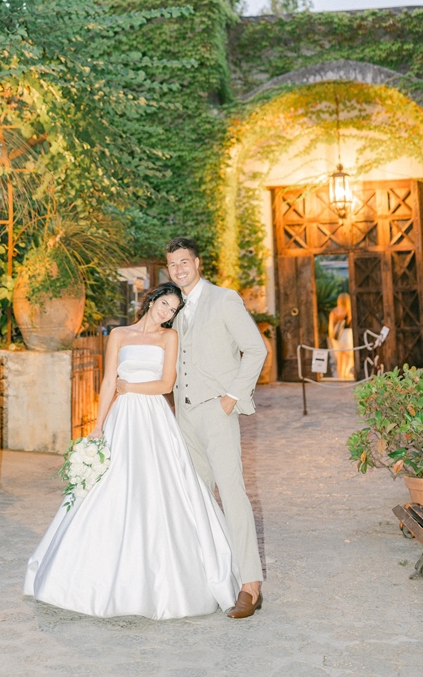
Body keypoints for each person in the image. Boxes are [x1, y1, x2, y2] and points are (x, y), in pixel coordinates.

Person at [23, 282, 240, 619]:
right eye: (164, 304)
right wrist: (97, 426)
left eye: (173, 310)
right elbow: (109, 381)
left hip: (153, 418)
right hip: (121, 419)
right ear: (151, 300)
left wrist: (131, 387)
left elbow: (166, 384)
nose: (167, 312)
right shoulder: (120, 335)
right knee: (110, 486)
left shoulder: (169, 338)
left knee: (157, 488)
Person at [165, 237, 268, 620]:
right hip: (185, 415)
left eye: (184, 261)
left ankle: (251, 586)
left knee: (231, 492)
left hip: (217, 411)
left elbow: (256, 349)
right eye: (173, 264)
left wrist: (232, 397)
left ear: (198, 263)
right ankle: (211, 578)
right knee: (197, 497)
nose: (179, 269)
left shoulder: (224, 299)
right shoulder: (174, 308)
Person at [328, 292, 355, 380]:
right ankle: (347, 372)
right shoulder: (350, 311)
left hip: (338, 336)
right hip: (348, 335)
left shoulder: (334, 311)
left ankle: (340, 375)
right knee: (350, 355)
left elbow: (331, 327)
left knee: (340, 357)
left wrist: (331, 337)